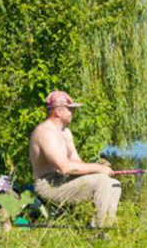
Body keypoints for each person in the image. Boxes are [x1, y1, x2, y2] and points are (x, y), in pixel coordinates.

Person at [30, 90, 122, 227]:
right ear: (58, 111)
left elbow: (77, 162)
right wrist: (98, 168)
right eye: (70, 109)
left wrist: (99, 170)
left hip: (63, 180)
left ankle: (107, 226)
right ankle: (100, 230)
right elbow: (65, 167)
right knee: (102, 182)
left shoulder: (66, 132)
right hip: (48, 185)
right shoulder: (45, 132)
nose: (73, 112)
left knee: (114, 184)